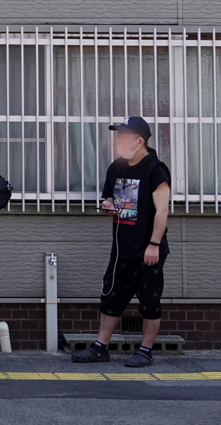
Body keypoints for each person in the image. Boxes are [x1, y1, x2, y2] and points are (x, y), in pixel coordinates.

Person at [72, 116, 171, 368]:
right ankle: (100, 347)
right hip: (121, 248)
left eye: (123, 136)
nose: (118, 140)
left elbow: (162, 211)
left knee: (149, 301)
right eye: (117, 135)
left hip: (148, 249)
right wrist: (107, 205)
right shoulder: (117, 167)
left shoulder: (156, 169)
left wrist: (154, 244)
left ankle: (145, 350)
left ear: (139, 141)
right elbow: (109, 199)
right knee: (111, 297)